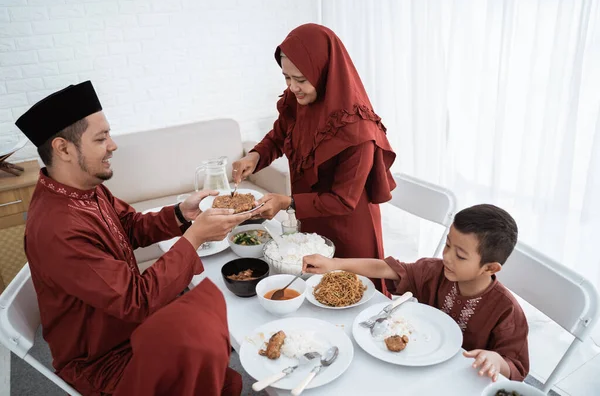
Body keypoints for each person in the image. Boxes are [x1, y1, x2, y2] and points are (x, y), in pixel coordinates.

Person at [15, 81, 251, 396]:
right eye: (101, 138)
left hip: (123, 324)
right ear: (63, 149)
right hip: (103, 358)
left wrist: (182, 213)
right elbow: (136, 302)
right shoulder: (58, 228)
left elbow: (130, 226)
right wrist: (193, 238)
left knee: (210, 306)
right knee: (203, 322)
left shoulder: (86, 187)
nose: (112, 145)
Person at [232, 24, 396, 287]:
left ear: (325, 73)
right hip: (312, 222)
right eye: (287, 77)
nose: (292, 88)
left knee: (351, 297)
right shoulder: (300, 101)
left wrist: (287, 202)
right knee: (313, 291)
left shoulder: (358, 129)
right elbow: (279, 134)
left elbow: (343, 201)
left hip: (349, 229)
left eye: (300, 79)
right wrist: (255, 156)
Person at [303, 204, 530, 382]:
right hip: (412, 363)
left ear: (490, 268)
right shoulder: (434, 271)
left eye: (460, 255)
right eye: (448, 244)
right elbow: (387, 268)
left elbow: (515, 366)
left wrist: (495, 361)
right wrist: (334, 264)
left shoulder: (506, 310)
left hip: (462, 380)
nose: (447, 257)